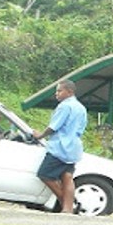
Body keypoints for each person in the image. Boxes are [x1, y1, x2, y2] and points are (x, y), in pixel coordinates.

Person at [32, 79, 88, 214]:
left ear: (70, 92)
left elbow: (53, 127)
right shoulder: (81, 108)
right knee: (67, 177)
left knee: (45, 174)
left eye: (59, 91)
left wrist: (40, 136)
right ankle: (68, 209)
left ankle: (66, 202)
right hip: (74, 148)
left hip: (60, 147)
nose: (56, 94)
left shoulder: (64, 106)